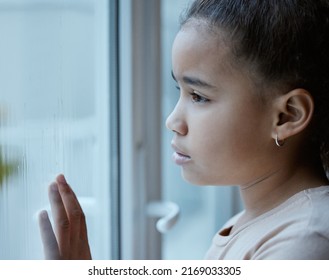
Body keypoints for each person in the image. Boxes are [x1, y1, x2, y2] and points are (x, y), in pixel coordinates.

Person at [39, 0, 329, 259]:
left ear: (286, 116)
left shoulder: (304, 242)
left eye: (199, 96)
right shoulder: (257, 221)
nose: (172, 121)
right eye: (180, 90)